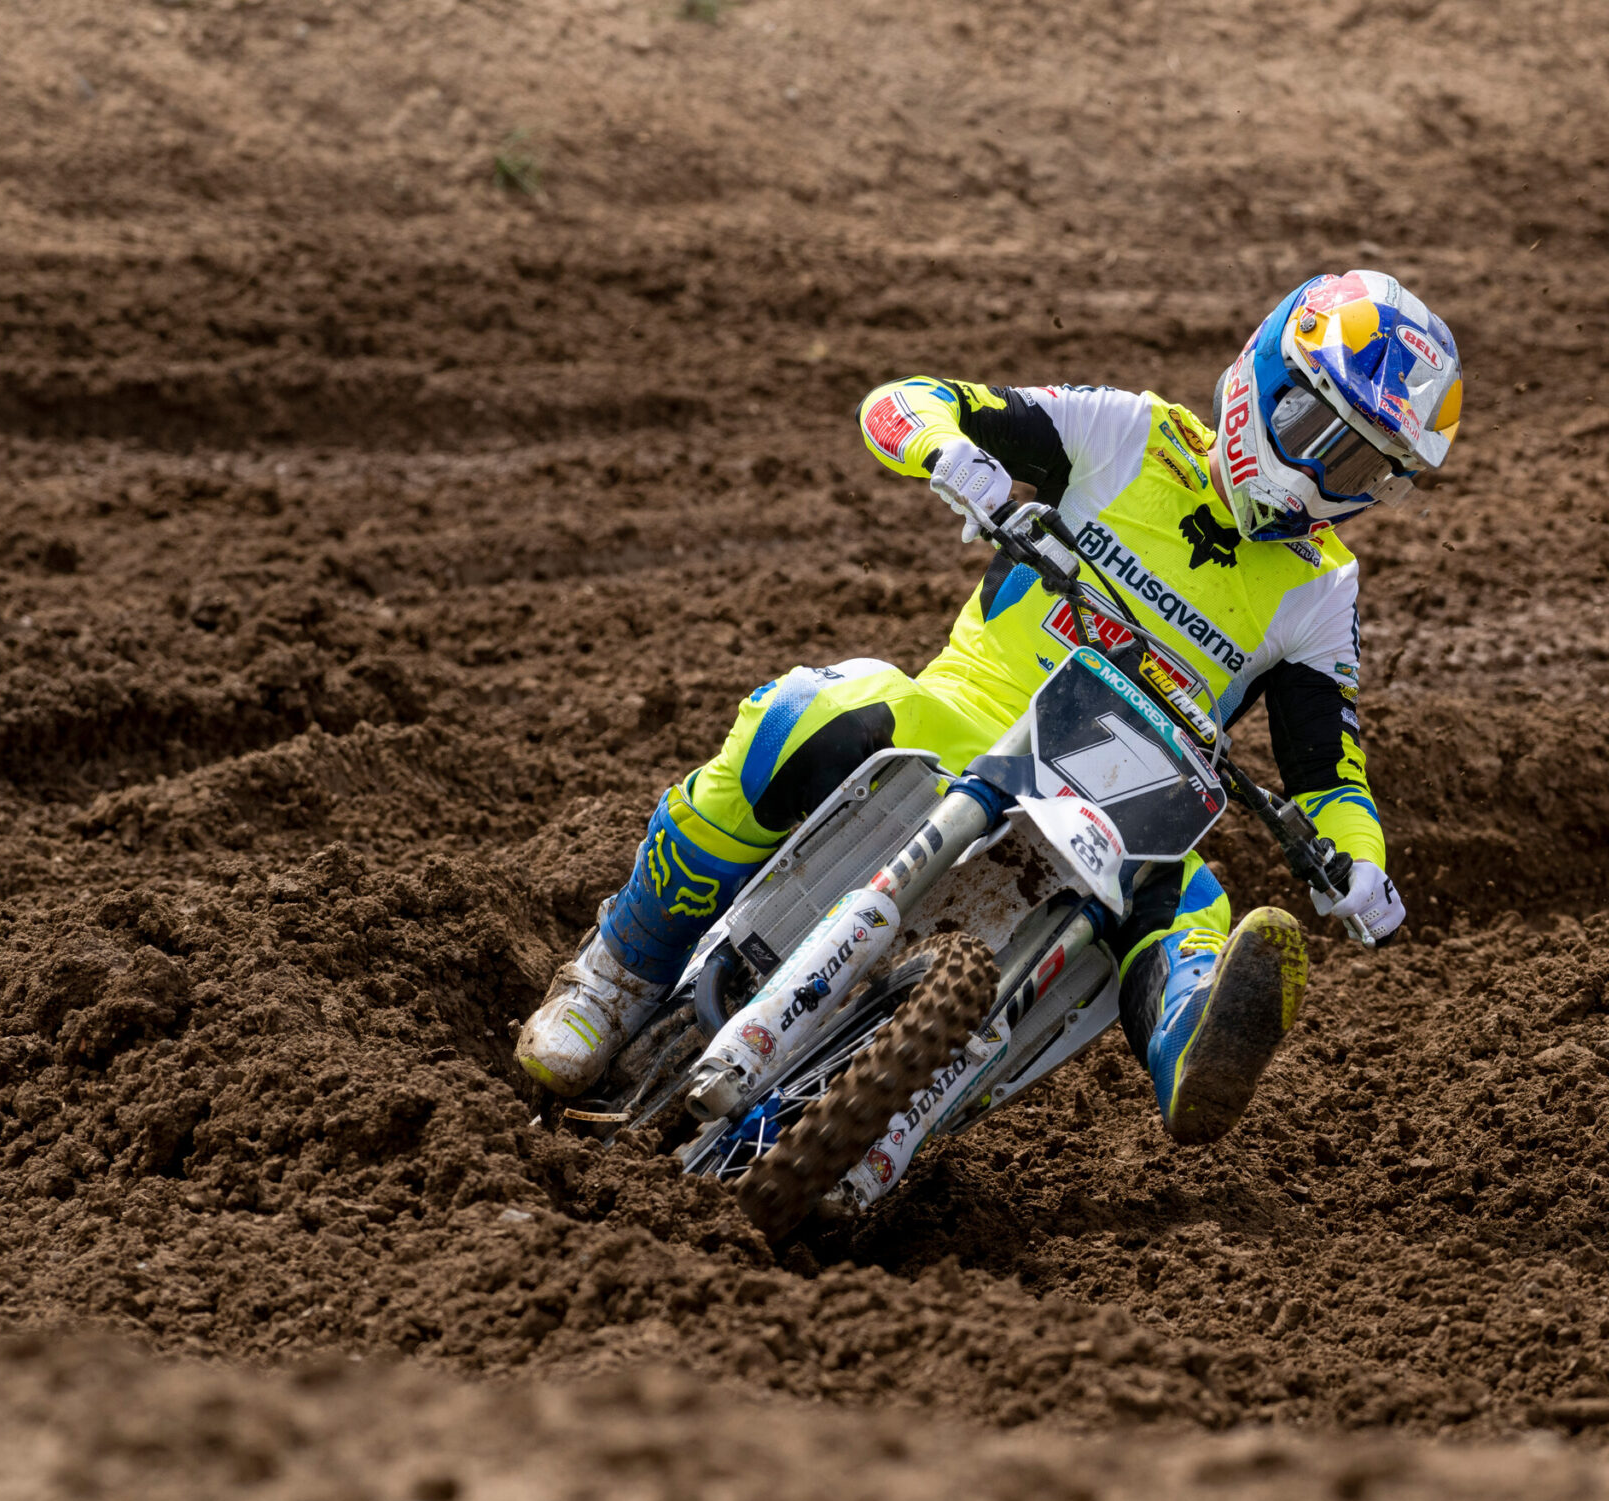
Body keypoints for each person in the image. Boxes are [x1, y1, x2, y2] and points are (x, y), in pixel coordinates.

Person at [517, 269, 1460, 1152]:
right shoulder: (1128, 434)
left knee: (1196, 907)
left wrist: (1360, 863)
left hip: (1123, 803)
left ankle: (1195, 1055)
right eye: (1315, 428)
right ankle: (616, 975)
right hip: (962, 720)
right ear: (1263, 379)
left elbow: (1328, 772)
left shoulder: (1321, 590)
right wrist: (947, 451)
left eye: (1359, 467)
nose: (1318, 477)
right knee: (809, 707)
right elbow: (905, 399)